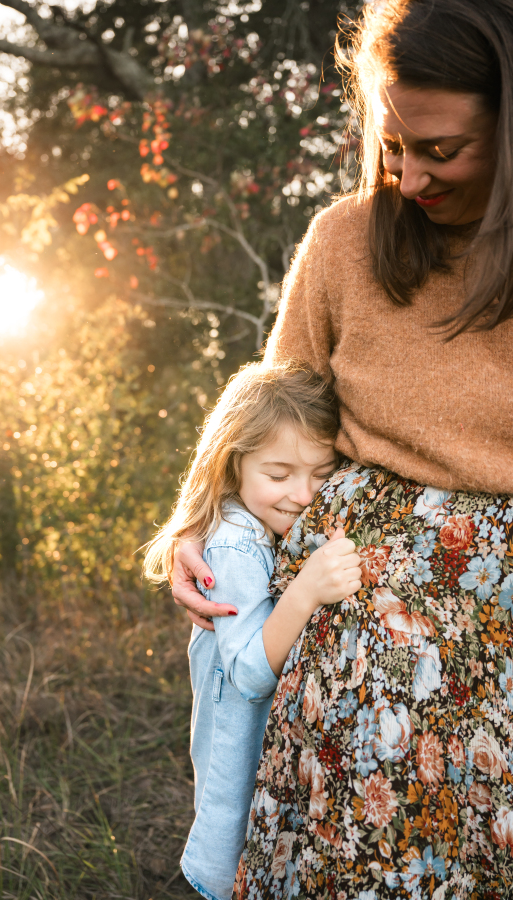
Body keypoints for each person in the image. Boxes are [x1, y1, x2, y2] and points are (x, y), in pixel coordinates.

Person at [171, 0, 513, 896]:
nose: (410, 177)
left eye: (442, 150)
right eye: (394, 147)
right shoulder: (344, 243)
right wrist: (193, 523)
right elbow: (261, 412)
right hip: (344, 663)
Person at [143, 360, 362, 900]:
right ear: (234, 463)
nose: (305, 494)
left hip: (276, 754)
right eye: (279, 473)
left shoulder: (267, 524)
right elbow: (247, 672)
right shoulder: (234, 545)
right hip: (240, 757)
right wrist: (306, 589)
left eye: (322, 473)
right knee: (238, 860)